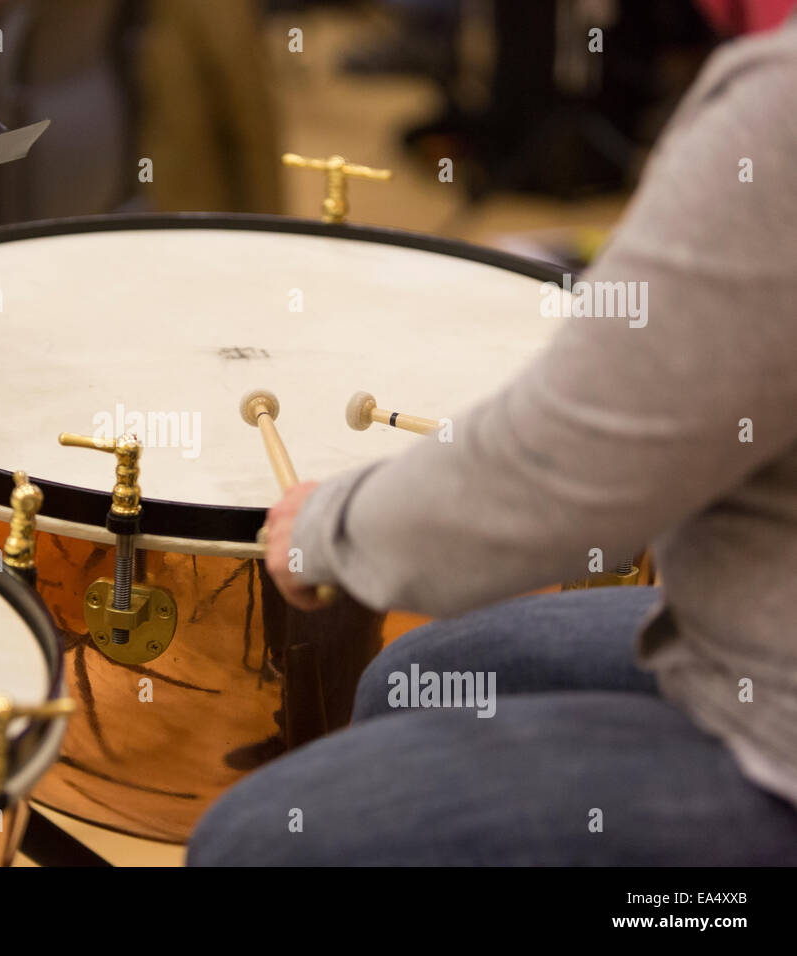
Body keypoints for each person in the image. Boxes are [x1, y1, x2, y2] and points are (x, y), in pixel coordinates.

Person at [188, 13, 797, 865]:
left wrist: (333, 528)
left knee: (253, 843)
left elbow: (569, 472)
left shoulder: (777, 113)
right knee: (416, 678)